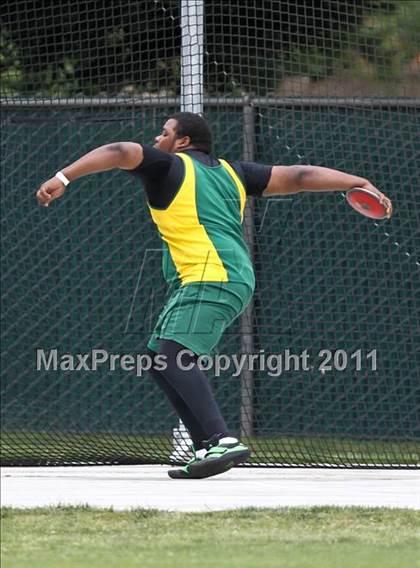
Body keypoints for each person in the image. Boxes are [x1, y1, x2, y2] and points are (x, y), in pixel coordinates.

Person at [36, 112, 392, 479]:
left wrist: (63, 177)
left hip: (211, 275)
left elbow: (119, 150)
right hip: (225, 276)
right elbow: (299, 176)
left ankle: (221, 440)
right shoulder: (234, 173)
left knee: (174, 354)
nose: (157, 139)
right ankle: (207, 446)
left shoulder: (168, 166)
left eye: (164, 133)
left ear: (183, 142)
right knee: (160, 357)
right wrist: (356, 181)